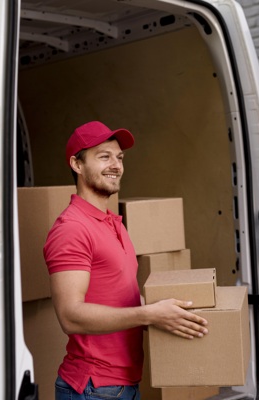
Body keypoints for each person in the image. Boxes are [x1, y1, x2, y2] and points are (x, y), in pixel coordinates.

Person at [43, 121, 209, 400]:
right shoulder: (72, 228)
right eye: (104, 156)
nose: (116, 165)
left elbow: (118, 298)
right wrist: (148, 314)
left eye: (119, 157)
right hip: (93, 388)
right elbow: (70, 315)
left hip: (124, 385)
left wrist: (163, 312)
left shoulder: (114, 224)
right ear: (77, 164)